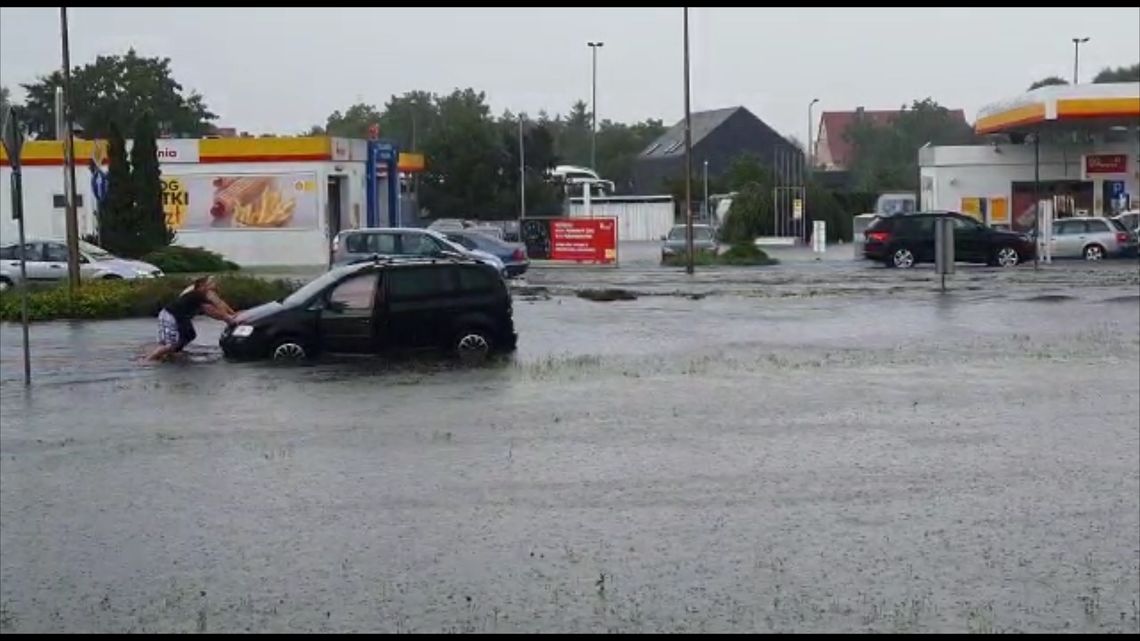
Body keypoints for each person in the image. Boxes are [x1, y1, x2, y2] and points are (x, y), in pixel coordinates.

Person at [146, 276, 238, 362]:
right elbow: (214, 308)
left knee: (189, 335)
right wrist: (228, 318)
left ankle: (171, 354)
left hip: (182, 317)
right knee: (171, 344)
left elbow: (219, 304)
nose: (214, 286)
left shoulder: (199, 294)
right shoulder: (201, 293)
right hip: (170, 315)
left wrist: (232, 314)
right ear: (202, 286)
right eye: (211, 283)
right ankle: (148, 359)